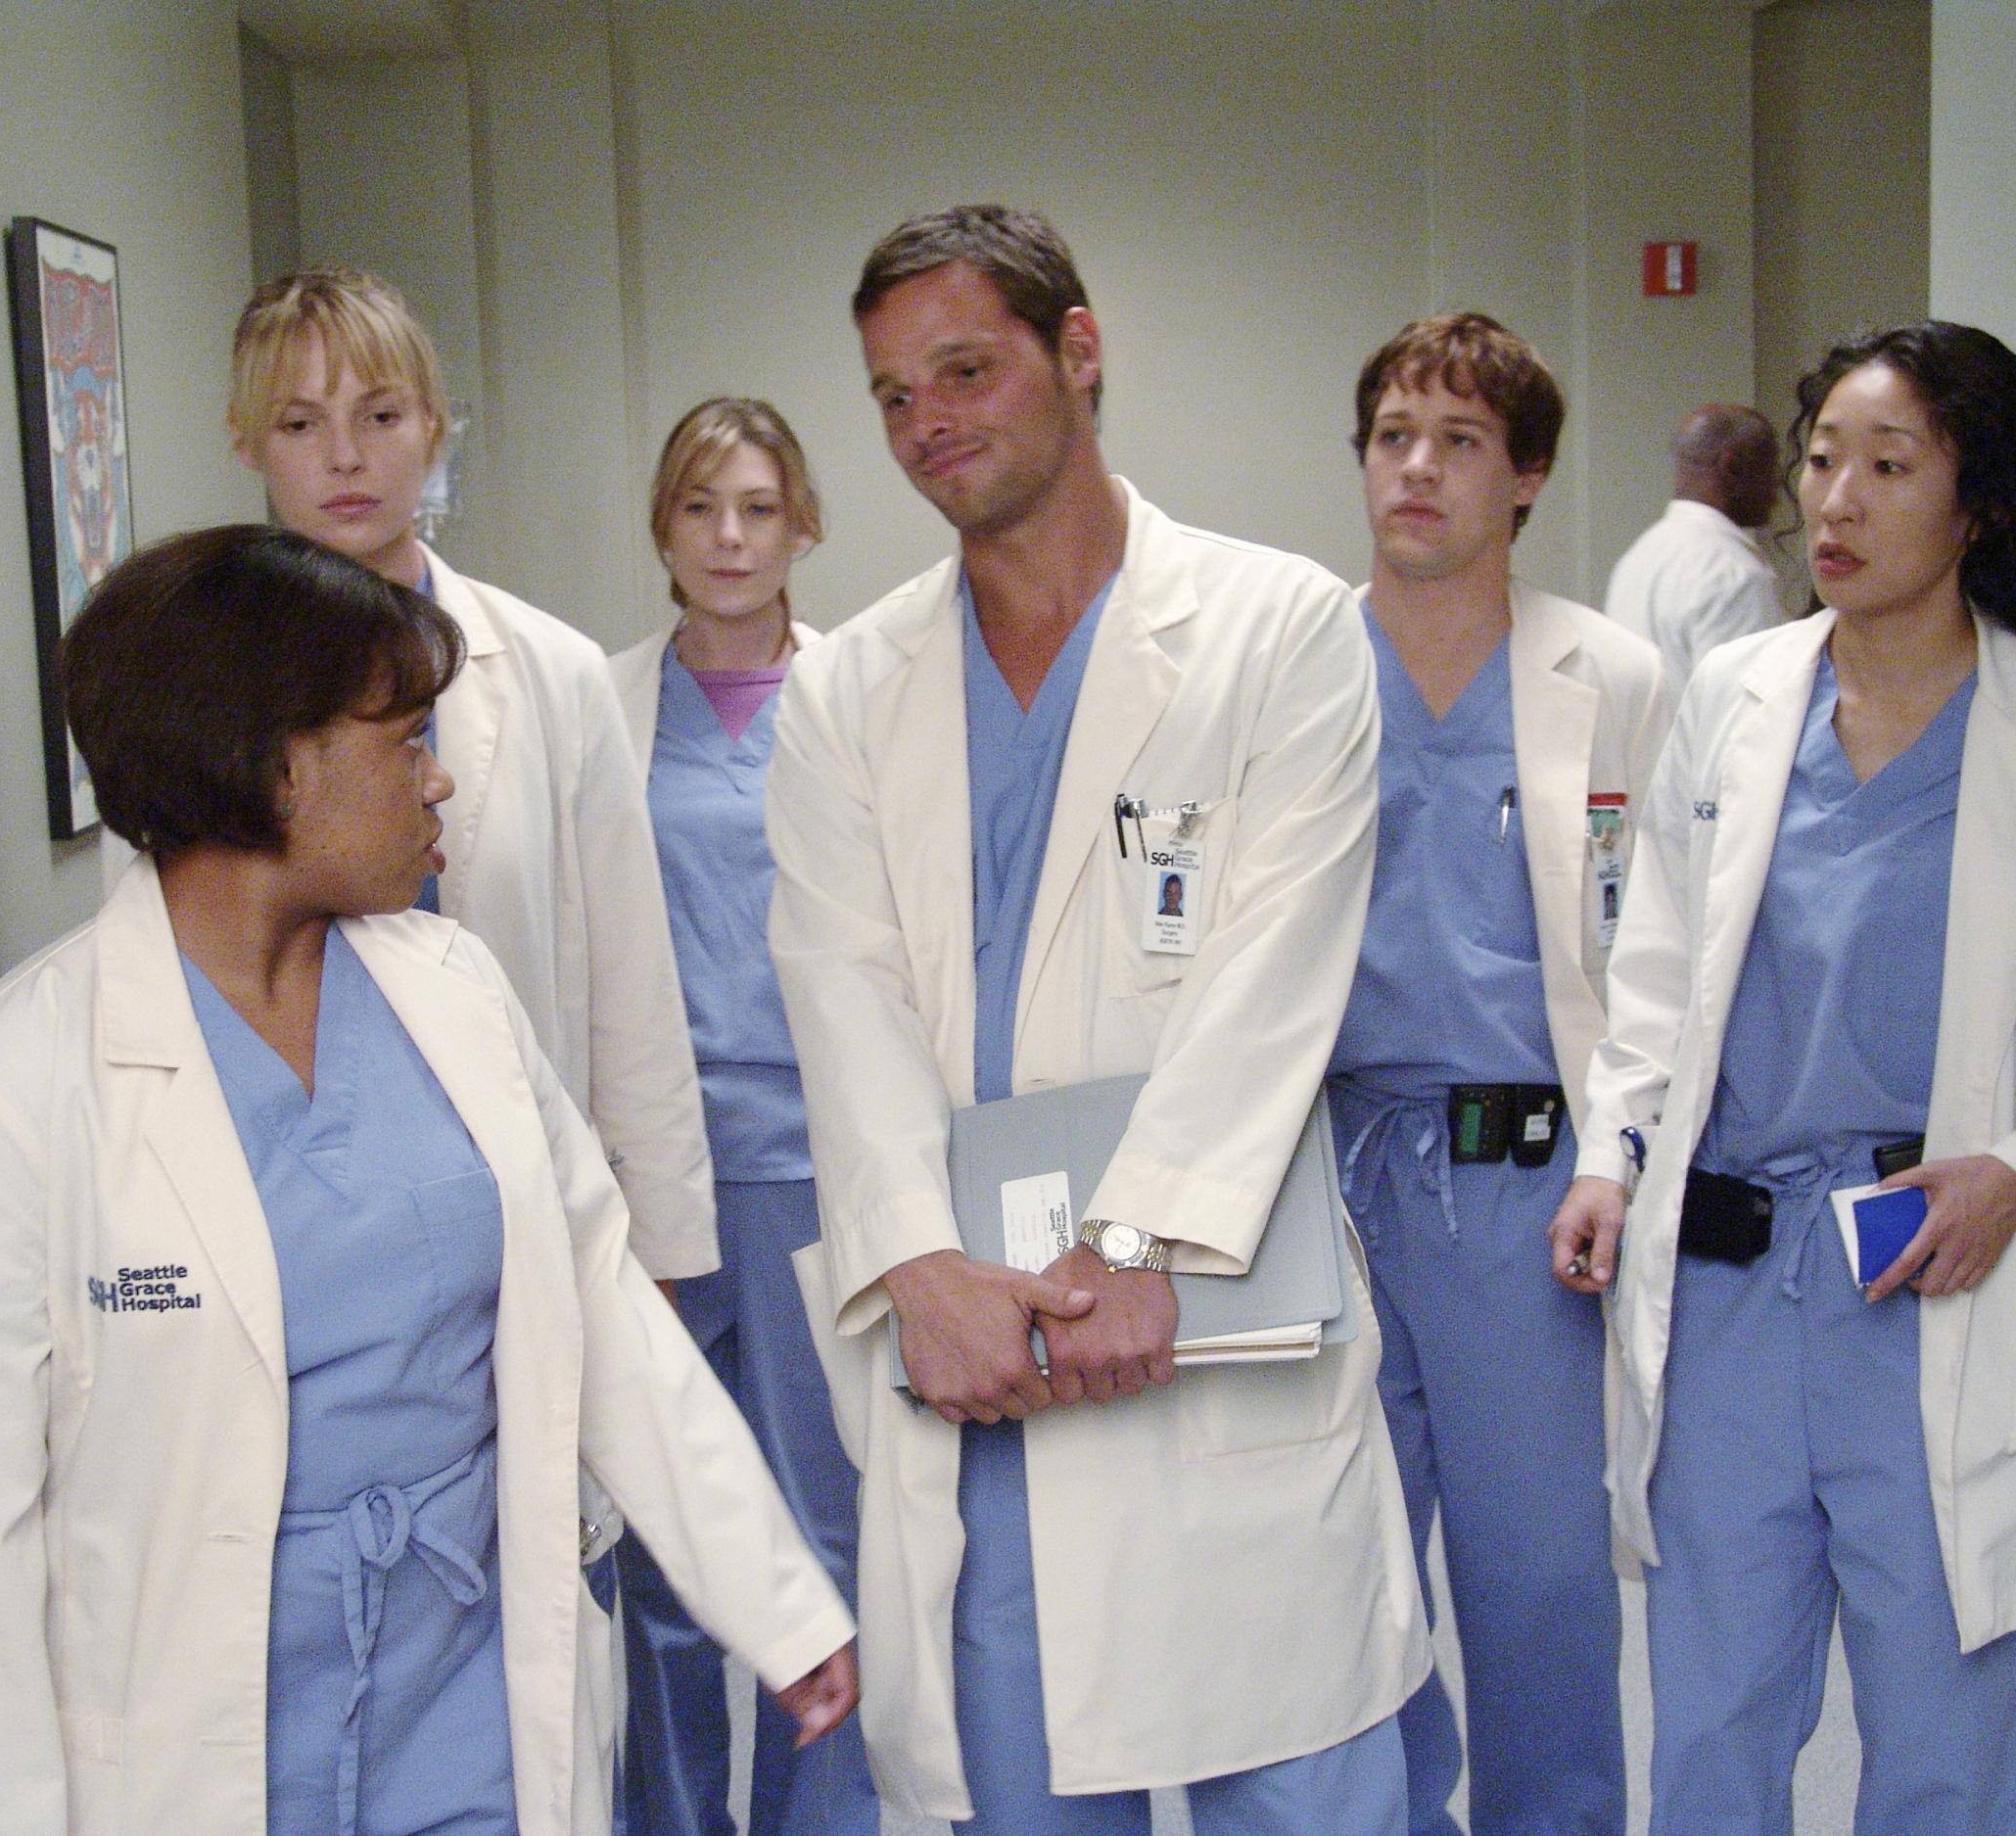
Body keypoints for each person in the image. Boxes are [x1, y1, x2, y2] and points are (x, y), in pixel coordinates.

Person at [0, 525, 859, 1836]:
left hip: (469, 1724)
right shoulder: (3, 1090)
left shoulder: (454, 994)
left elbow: (605, 1317)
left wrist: (773, 1599)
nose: (438, 780)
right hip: (191, 1760)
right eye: (403, 742)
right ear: (273, 764)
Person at [766, 203, 1426, 1835]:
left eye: (965, 370)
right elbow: (841, 990)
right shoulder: (846, 690)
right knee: (1022, 1772)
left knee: (1300, 1781)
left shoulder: (1277, 629)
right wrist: (919, 1265)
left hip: (1214, 1311)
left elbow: (1279, 969)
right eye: (893, 395)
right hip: (986, 1351)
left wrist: (1143, 1242)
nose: (927, 423)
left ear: (1079, 350)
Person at [1549, 321, 2016, 1835]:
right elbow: (1655, 979)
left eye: (1889, 466)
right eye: (1821, 461)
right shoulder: (1736, 694)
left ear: (1981, 502)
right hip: (1736, 1287)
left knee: (1956, 1744)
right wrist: (1612, 1156)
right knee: (1714, 1727)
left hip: (1945, 1269)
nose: (1837, 499)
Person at [218, 266, 718, 1819]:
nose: (344, 456)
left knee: (563, 1625)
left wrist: (661, 1253)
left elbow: (629, 980)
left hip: (519, 1225)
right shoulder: (198, 688)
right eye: (300, 422)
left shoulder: (546, 672)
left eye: (379, 414)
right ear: (248, 444)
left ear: (438, 427)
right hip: (297, 1246)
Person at [1328, 312, 1664, 1836]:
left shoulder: (1614, 676)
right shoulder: (1297, 669)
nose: (1418, 467)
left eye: (1460, 440)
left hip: (1527, 1184)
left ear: (1524, 475)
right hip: (1330, 1176)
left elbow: (1659, 955)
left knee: (1538, 1579)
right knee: (1343, 1569)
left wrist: (1615, 1153)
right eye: (1394, 435)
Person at [603, 399, 879, 1836]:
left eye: (758, 508)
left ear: (802, 526)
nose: (728, 538)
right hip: (647, 1172)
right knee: (655, 1543)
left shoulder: (860, 700)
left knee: (814, 1536)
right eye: (700, 507)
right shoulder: (600, 708)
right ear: (662, 527)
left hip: (803, 1171)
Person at [1603, 402, 1783, 707]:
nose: (1778, 483)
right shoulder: (1733, 572)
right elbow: (1739, 715)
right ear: (1731, 467)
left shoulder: (1638, 557)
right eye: (1771, 466)